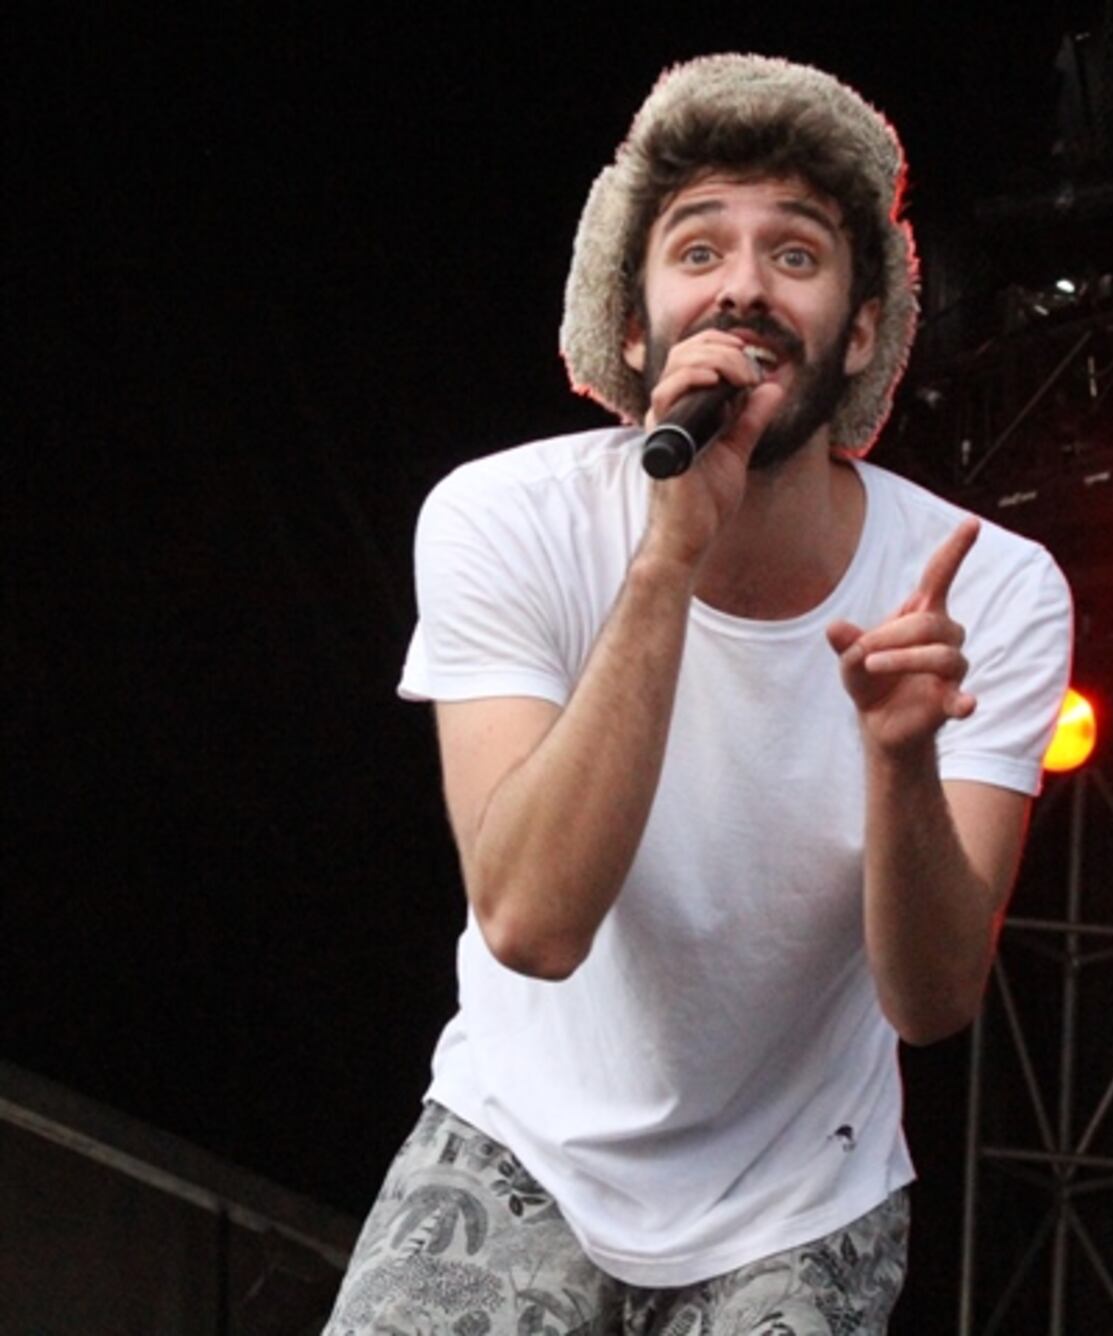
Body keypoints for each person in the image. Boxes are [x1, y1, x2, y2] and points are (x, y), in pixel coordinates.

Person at [324, 53, 1072, 1336]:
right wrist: (670, 554)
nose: (742, 285)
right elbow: (531, 922)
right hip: (519, 1146)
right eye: (697, 250)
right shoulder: (504, 518)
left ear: (859, 333)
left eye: (795, 254)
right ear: (631, 328)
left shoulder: (987, 590)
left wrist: (897, 762)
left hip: (800, 1197)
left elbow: (934, 999)